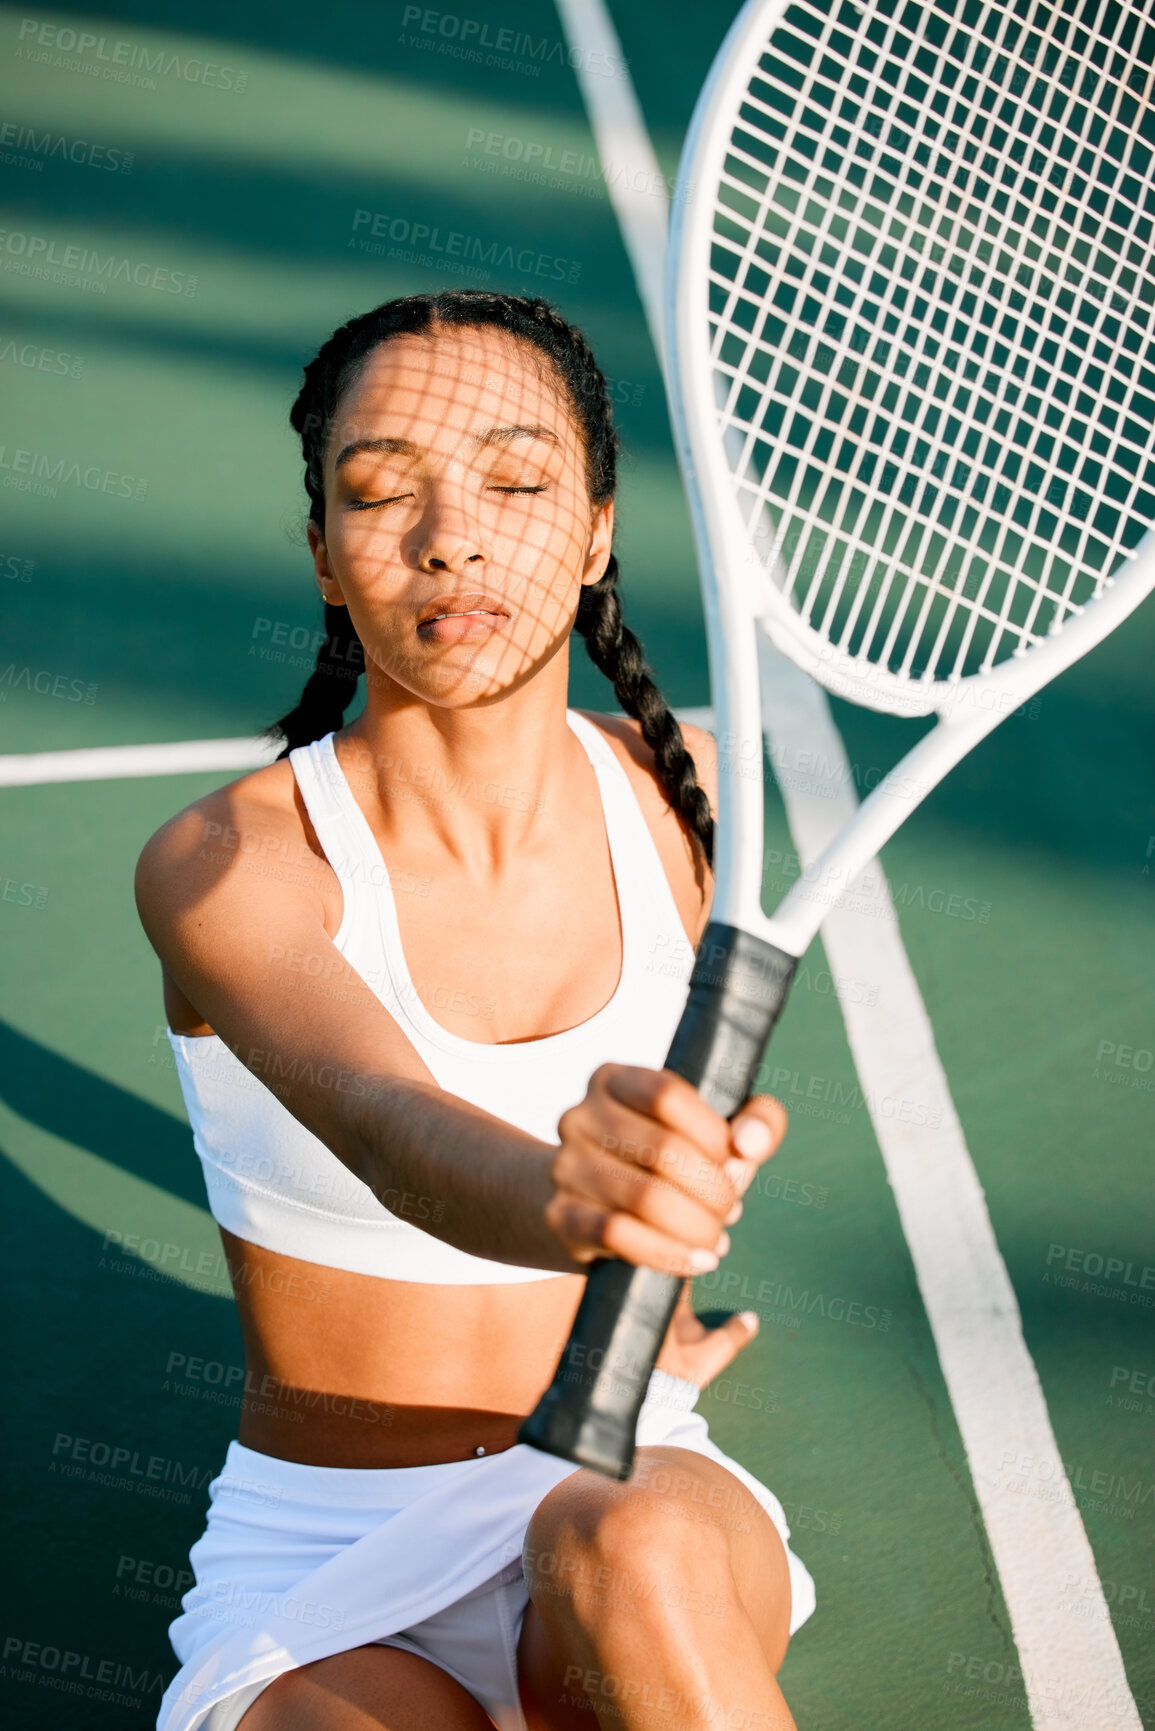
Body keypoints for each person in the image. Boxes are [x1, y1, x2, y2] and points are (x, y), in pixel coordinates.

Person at [135, 289, 815, 1731]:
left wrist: (649, 1302)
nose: (453, 534)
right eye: (382, 491)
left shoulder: (678, 791)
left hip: (624, 1471)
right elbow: (393, 1126)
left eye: (515, 482)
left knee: (622, 1540)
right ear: (325, 555)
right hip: (325, 1550)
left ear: (598, 530)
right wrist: (575, 1203)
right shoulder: (228, 866)